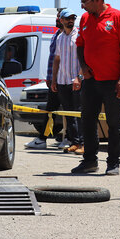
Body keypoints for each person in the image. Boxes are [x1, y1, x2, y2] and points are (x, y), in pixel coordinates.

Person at [72, 0, 120, 175]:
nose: (82, 6)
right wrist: (83, 68)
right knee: (87, 120)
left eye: (85, 2)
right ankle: (90, 161)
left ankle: (113, 163)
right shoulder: (84, 18)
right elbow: (80, 45)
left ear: (97, 0)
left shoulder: (119, 18)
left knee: (114, 122)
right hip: (91, 81)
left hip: (112, 81)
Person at [25, 11, 65, 149]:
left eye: (59, 17)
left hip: (65, 80)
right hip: (55, 80)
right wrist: (50, 78)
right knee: (51, 111)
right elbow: (53, 60)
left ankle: (71, 139)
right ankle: (42, 138)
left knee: (70, 111)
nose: (56, 19)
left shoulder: (69, 36)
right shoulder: (57, 35)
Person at [50, 8, 84, 154]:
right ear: (61, 21)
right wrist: (53, 80)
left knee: (80, 113)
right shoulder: (60, 37)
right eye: (68, 18)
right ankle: (75, 142)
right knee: (69, 114)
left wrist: (80, 77)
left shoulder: (80, 36)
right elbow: (57, 59)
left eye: (73, 18)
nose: (71, 20)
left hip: (77, 81)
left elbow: (85, 58)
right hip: (62, 81)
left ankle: (83, 143)